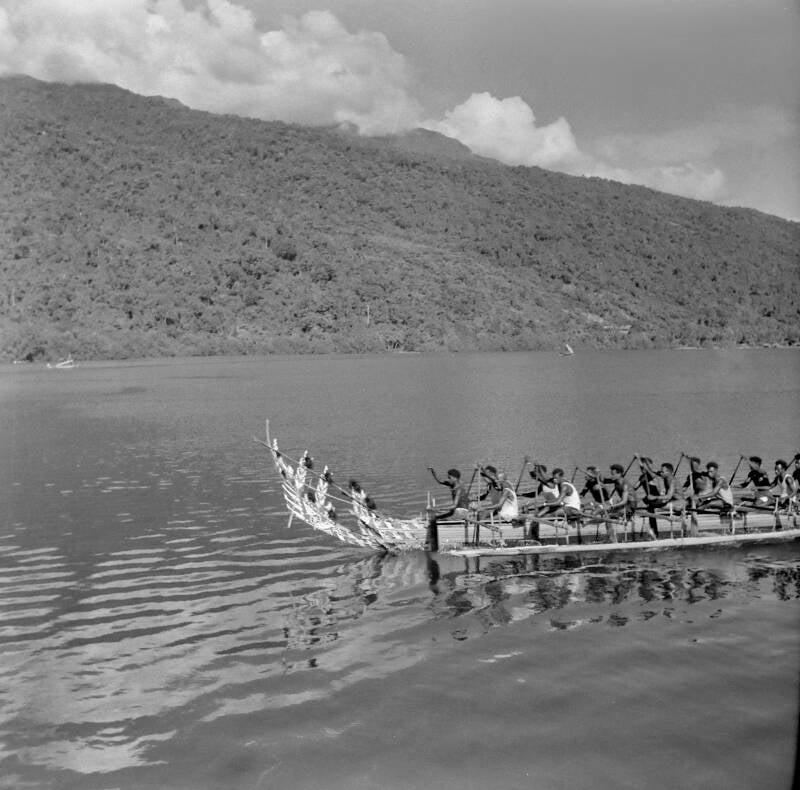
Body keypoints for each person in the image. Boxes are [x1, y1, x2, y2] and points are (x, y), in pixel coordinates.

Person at [695, 461, 735, 532]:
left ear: (716, 471)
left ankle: (694, 513)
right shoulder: (713, 481)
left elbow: (713, 493)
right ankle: (696, 511)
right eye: (708, 472)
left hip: (728, 504)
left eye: (711, 472)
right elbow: (707, 493)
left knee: (709, 503)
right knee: (702, 502)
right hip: (720, 502)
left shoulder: (721, 480)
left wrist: (699, 497)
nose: (709, 474)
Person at [602, 463, 636, 542]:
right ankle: (612, 536)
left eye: (613, 474)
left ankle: (612, 539)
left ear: (619, 474)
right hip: (625, 505)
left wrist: (612, 506)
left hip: (630, 506)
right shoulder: (616, 481)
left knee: (608, 516)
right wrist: (597, 475)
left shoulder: (625, 484)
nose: (611, 476)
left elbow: (624, 501)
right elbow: (604, 480)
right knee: (606, 514)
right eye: (611, 474)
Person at [681, 456, 710, 537]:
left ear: (698, 465)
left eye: (694, 465)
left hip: (701, 498)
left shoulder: (704, 474)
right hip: (695, 498)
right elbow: (684, 489)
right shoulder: (691, 476)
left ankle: (685, 522)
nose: (693, 467)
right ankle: (683, 520)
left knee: (684, 505)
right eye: (692, 465)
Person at [635, 455, 661, 538]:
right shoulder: (642, 477)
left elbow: (650, 471)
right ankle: (654, 532)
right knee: (648, 512)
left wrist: (640, 460)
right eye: (641, 467)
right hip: (648, 499)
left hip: (655, 497)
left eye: (645, 466)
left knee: (640, 506)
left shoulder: (652, 474)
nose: (642, 468)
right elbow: (635, 487)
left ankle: (654, 532)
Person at [772, 459, 798, 529]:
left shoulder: (788, 478)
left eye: (777, 469)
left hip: (790, 501)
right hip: (783, 500)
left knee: (775, 502)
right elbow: (770, 486)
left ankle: (779, 523)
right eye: (775, 469)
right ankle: (778, 525)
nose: (775, 471)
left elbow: (795, 491)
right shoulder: (777, 478)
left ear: (783, 469)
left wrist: (785, 498)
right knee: (770, 499)